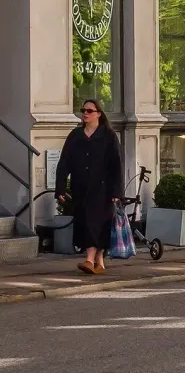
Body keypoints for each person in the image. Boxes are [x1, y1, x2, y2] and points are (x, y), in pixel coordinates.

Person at [55, 99, 123, 276]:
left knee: (98, 223)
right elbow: (64, 163)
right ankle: (98, 261)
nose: (85, 113)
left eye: (89, 111)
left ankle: (90, 259)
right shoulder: (75, 135)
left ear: (99, 114)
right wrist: (60, 187)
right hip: (81, 187)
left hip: (103, 189)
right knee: (85, 222)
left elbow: (116, 165)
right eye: (83, 110)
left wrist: (117, 191)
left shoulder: (108, 136)